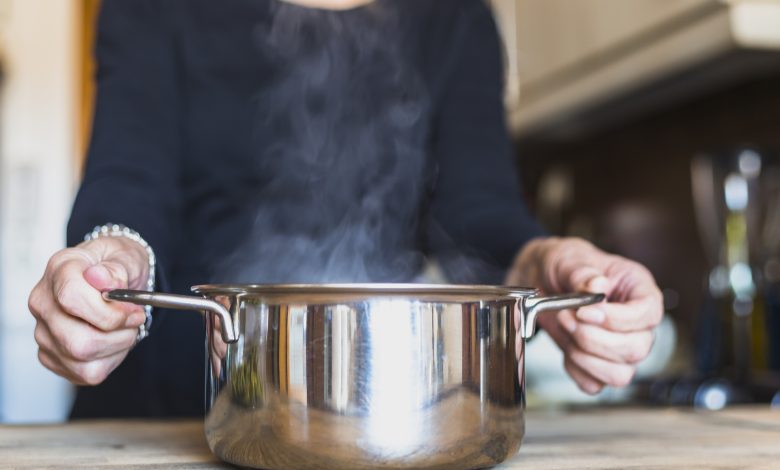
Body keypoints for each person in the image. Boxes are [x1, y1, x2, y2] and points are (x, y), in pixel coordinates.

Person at [28, 0, 662, 418]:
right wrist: (112, 260)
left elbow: (478, 210)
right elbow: (130, 178)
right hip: (159, 416)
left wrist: (546, 261)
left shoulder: (455, 15)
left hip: (375, 416)